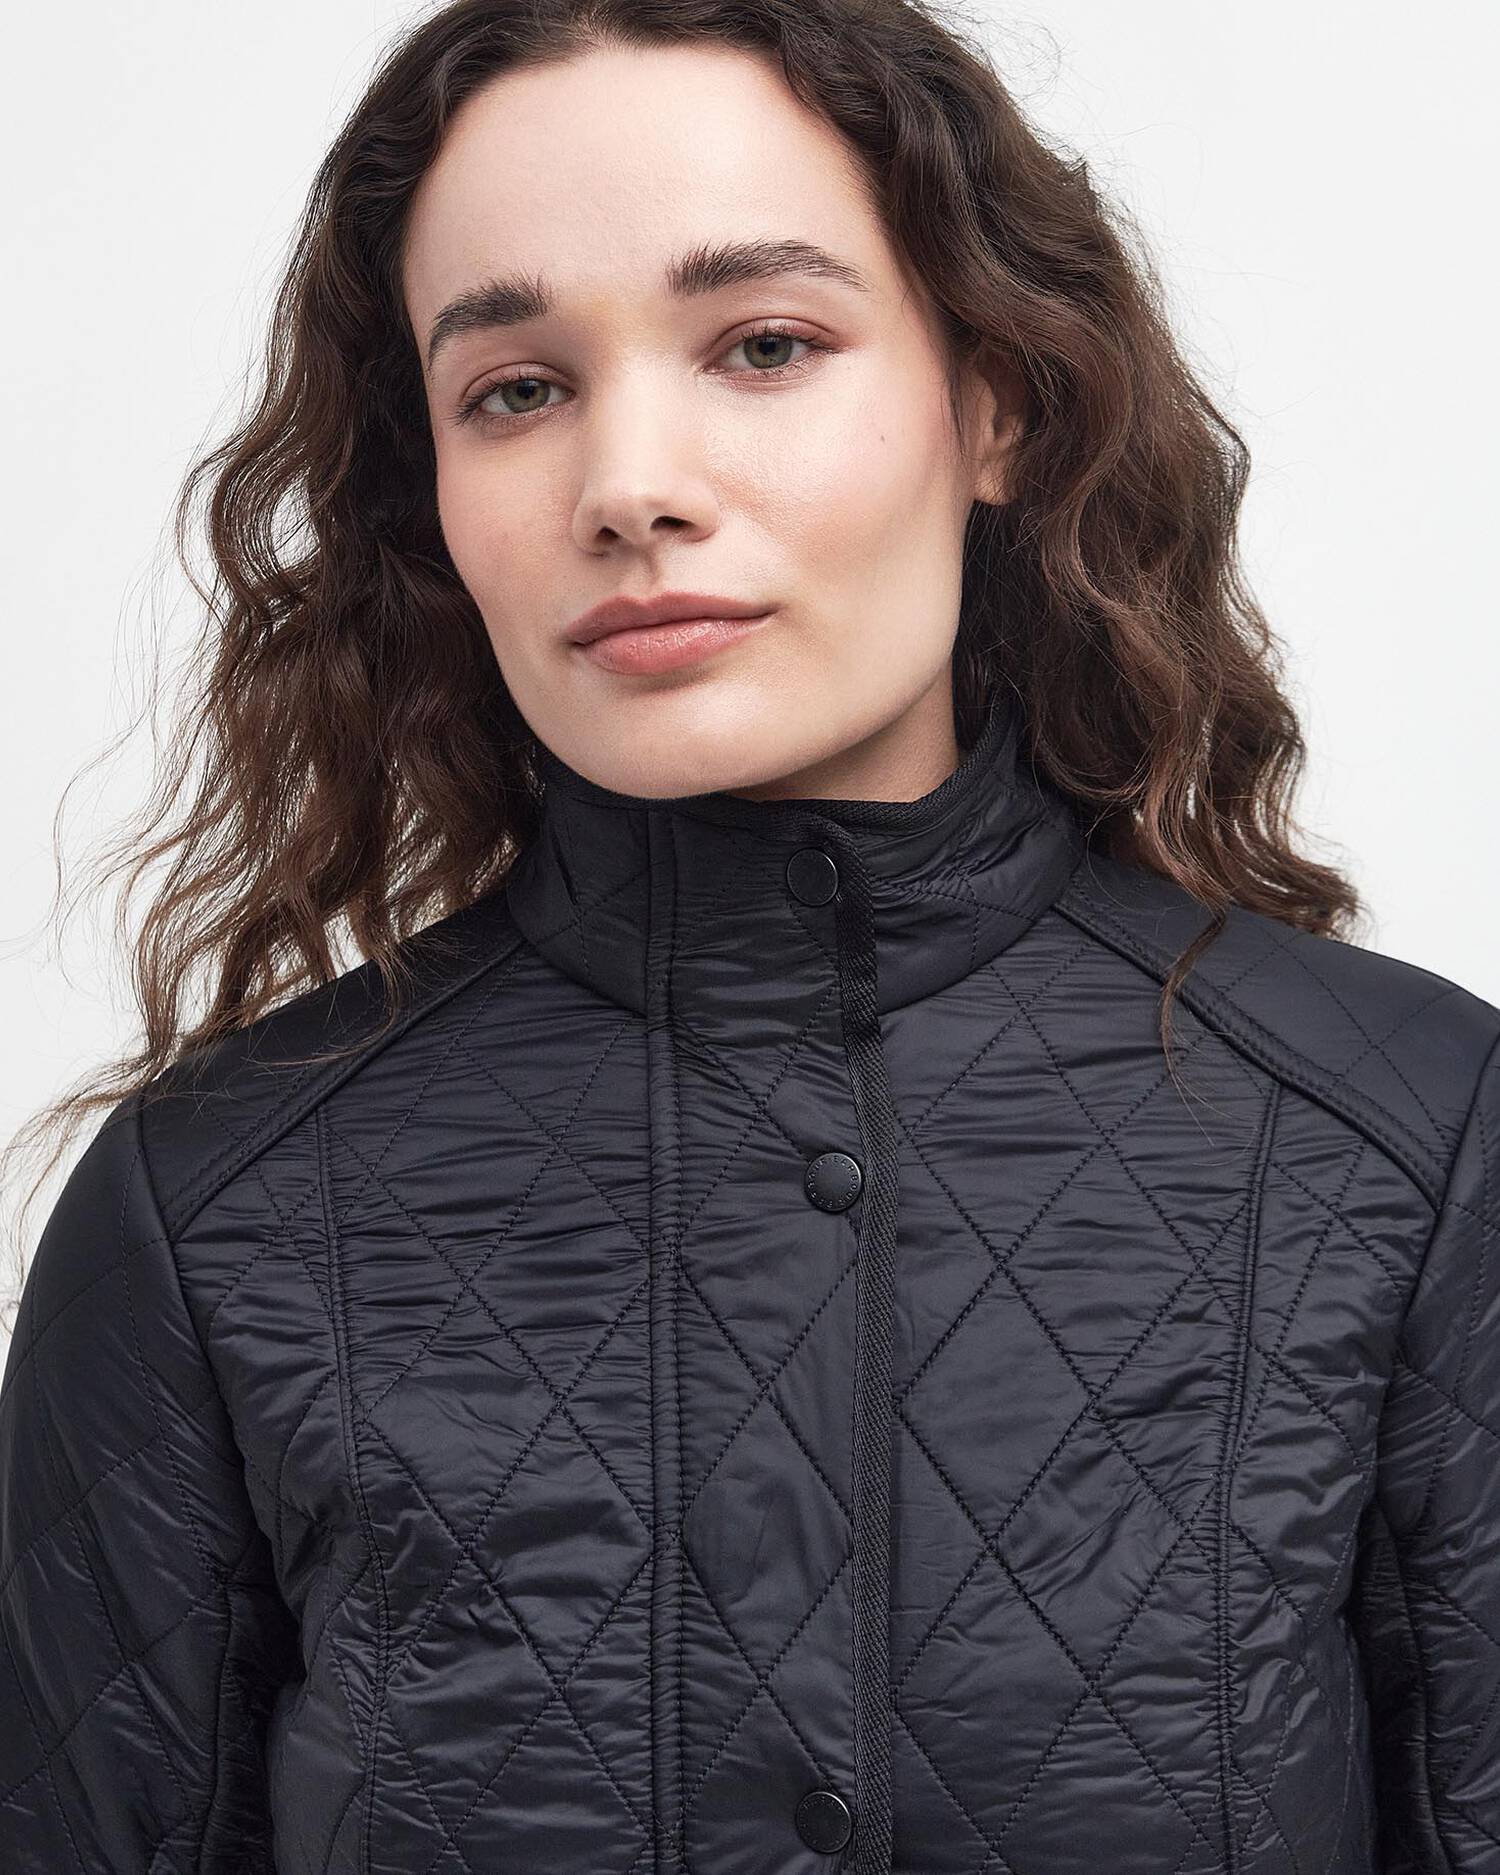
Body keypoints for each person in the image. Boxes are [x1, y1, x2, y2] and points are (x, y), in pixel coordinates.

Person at [1, 1, 1495, 1870]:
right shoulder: (210, 1212)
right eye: (515, 390)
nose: (629, 485)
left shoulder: (1416, 1141)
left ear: (1000, 405)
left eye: (765, 345)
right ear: (429, 492)